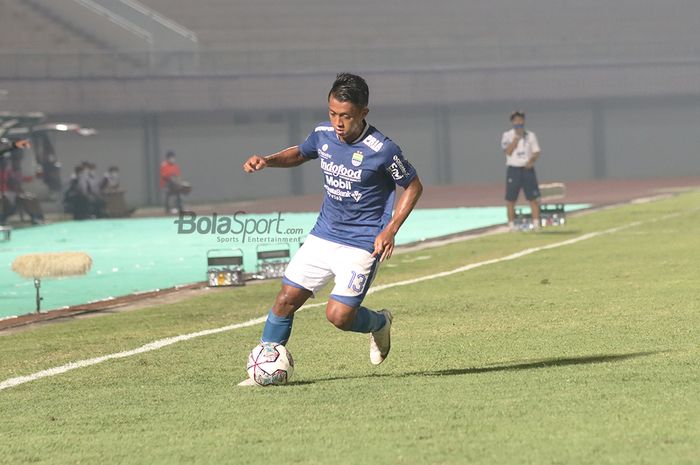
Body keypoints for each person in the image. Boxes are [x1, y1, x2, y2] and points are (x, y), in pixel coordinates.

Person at [239, 73, 423, 386]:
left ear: (363, 113)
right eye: (333, 114)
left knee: (338, 316)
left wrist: (390, 228)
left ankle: (379, 322)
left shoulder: (382, 149)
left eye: (346, 116)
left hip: (362, 243)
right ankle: (265, 369)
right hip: (323, 235)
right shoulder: (323, 134)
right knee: (285, 299)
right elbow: (300, 153)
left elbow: (413, 186)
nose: (338, 123)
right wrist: (267, 161)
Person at [500, 110, 541, 230]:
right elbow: (508, 151)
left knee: (533, 198)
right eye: (516, 120)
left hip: (527, 169)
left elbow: (536, 151)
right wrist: (516, 139)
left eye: (520, 119)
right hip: (514, 169)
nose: (518, 122)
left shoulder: (530, 135)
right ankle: (511, 225)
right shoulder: (507, 135)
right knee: (511, 199)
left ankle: (536, 224)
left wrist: (531, 161)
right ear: (512, 121)